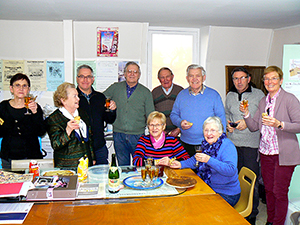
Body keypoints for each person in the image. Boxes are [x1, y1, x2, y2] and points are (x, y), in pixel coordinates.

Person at [240, 66, 300, 225]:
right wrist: (246, 114)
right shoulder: (263, 101)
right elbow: (254, 127)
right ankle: (271, 221)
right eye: (266, 79)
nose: (269, 81)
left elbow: (299, 125)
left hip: (284, 154)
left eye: (274, 78)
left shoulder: (289, 99)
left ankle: (278, 223)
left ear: (281, 80)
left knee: (279, 192)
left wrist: (280, 124)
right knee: (268, 191)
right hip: (266, 153)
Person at [171, 116, 240, 206]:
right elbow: (196, 159)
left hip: (227, 193)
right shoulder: (206, 144)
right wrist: (180, 164)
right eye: (206, 130)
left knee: (199, 207)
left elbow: (231, 170)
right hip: (209, 187)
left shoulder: (227, 146)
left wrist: (209, 160)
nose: (209, 133)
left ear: (220, 132)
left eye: (213, 130)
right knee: (185, 200)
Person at [225, 67, 265, 224]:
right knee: (234, 179)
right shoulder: (229, 95)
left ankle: (252, 214)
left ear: (248, 79)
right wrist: (228, 123)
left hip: (251, 144)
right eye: (235, 78)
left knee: (251, 181)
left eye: (242, 78)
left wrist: (247, 124)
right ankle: (236, 209)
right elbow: (227, 113)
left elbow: (262, 117)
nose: (238, 81)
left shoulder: (259, 95)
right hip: (233, 144)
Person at [104, 61, 155, 166]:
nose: (132, 74)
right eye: (129, 71)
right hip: (119, 135)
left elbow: (151, 115)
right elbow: (101, 99)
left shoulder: (146, 92)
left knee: (140, 166)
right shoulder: (115, 87)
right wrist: (109, 104)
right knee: (123, 167)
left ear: (139, 75)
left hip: (138, 136)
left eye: (135, 72)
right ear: (124, 74)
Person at [170, 64, 226, 157]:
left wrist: (220, 142)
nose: (194, 79)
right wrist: (180, 122)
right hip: (185, 144)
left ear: (204, 78)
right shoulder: (181, 95)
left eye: (198, 76)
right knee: (187, 171)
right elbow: (173, 115)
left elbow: (221, 119)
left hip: (208, 144)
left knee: (205, 171)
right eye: (191, 76)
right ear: (187, 78)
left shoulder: (214, 95)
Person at [0, 73, 46, 169]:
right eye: (17, 85)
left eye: (24, 86)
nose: (21, 89)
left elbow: (41, 132)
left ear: (28, 89)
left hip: (32, 158)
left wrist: (34, 113)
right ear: (11, 89)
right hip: (9, 157)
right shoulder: (3, 107)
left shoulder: (35, 107)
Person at [46, 82, 94, 168]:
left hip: (86, 165)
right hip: (67, 168)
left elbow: (89, 139)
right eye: (74, 96)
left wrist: (92, 158)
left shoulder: (82, 114)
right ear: (63, 100)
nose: (78, 99)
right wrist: (68, 130)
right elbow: (56, 144)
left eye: (77, 95)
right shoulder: (54, 119)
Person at [76, 65, 116, 165]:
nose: (85, 79)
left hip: (99, 147)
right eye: (82, 76)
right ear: (77, 79)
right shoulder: (73, 97)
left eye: (88, 76)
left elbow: (110, 120)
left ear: (92, 79)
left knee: (101, 178)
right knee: (81, 178)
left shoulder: (100, 97)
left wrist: (112, 110)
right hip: (80, 148)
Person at [152, 67, 183, 137]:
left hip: (178, 134)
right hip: (159, 133)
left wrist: (179, 129)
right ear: (159, 79)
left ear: (172, 76)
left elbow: (186, 112)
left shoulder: (181, 91)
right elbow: (152, 114)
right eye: (162, 77)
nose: (165, 80)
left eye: (168, 77)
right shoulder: (154, 92)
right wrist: (159, 130)